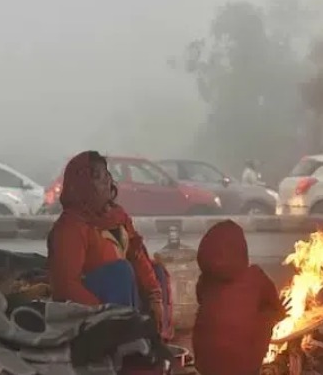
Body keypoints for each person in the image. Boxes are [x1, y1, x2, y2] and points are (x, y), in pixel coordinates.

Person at [47, 151, 172, 340]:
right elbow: (66, 286)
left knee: (157, 272)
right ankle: (124, 342)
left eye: (106, 175)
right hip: (91, 310)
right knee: (120, 271)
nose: (106, 181)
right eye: (97, 177)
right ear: (82, 185)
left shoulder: (116, 216)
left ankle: (154, 341)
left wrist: (155, 296)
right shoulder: (70, 227)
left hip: (124, 299)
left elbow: (137, 255)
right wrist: (104, 314)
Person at [192, 220, 286, 375]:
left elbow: (201, 299)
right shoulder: (256, 277)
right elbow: (275, 307)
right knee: (267, 315)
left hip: (205, 363)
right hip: (244, 365)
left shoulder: (205, 280)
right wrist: (275, 315)